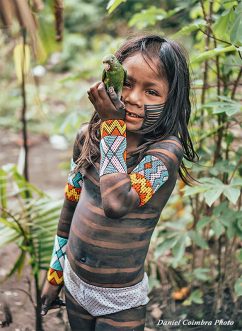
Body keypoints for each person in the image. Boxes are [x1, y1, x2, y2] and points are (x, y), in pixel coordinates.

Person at [41, 34, 197, 331]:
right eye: (127, 83)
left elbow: (116, 203)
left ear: (171, 100)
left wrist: (112, 125)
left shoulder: (164, 153)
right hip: (75, 283)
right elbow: (69, 207)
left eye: (152, 91)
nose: (133, 98)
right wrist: (55, 274)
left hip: (119, 299)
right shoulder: (89, 138)